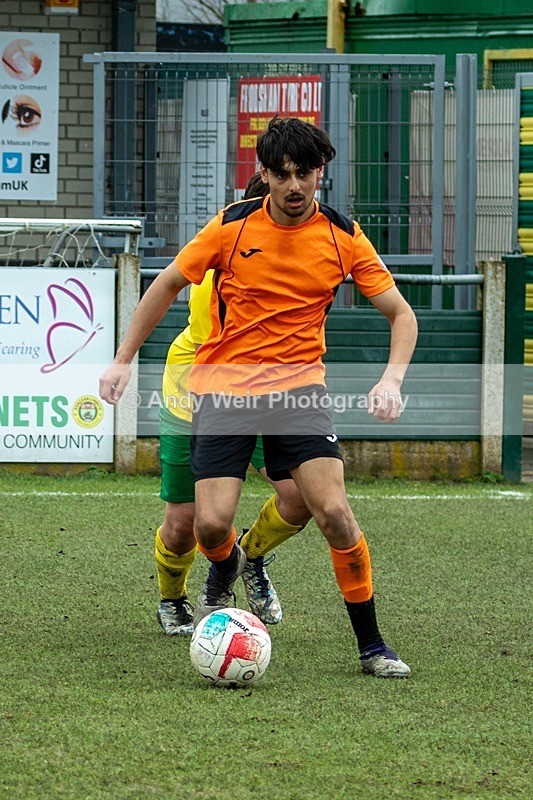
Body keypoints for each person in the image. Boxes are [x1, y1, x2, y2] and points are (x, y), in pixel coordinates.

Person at [100, 117, 418, 678]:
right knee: (211, 526)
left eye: (307, 173)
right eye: (283, 174)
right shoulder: (231, 227)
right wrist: (124, 359)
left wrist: (391, 378)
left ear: (322, 172)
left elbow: (400, 312)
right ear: (264, 174)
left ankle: (373, 646)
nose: (296, 187)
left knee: (336, 514)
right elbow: (167, 284)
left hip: (299, 392)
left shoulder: (343, 236)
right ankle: (226, 565)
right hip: (225, 390)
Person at [155, 173, 310, 636]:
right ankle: (172, 597)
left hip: (265, 394)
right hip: (197, 394)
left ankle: (248, 556)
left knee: (301, 497)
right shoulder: (226, 252)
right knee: (185, 521)